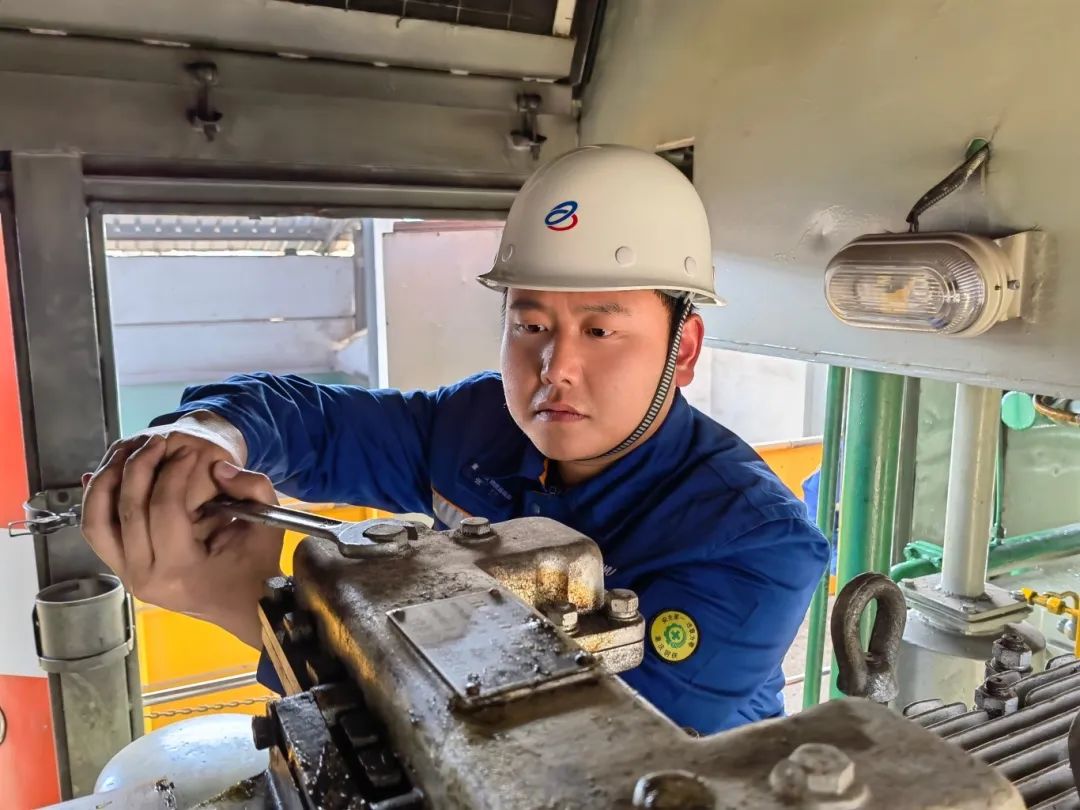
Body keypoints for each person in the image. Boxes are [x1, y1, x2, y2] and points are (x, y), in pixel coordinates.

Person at [81, 145, 828, 734]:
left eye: (600, 331)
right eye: (530, 324)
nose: (555, 368)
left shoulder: (754, 543)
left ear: (683, 351)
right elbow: (314, 421)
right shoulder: (478, 427)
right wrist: (204, 437)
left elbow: (563, 752)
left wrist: (256, 609)